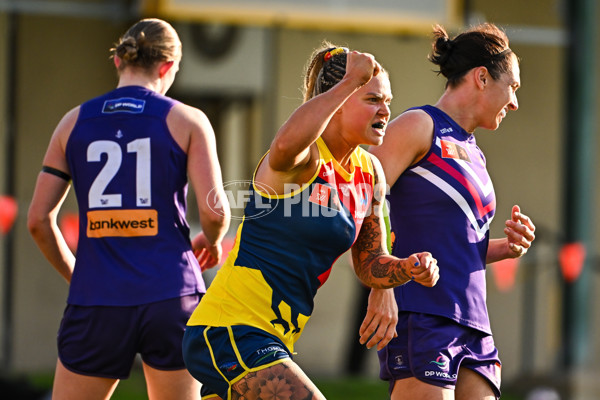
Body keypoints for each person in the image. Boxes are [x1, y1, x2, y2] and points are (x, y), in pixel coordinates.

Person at [182, 42, 440, 400]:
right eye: (372, 99)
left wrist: (408, 268)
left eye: (387, 100)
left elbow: (370, 263)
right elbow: (284, 146)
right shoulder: (305, 157)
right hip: (230, 330)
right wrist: (350, 81)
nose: (386, 110)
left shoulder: (370, 172)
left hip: (272, 342)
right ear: (337, 101)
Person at [27, 18, 230, 400]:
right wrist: (212, 239)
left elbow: (38, 221)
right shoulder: (187, 120)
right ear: (168, 67)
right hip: (172, 295)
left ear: (119, 61)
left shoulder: (72, 123)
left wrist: (80, 275)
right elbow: (216, 213)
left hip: (96, 298)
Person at [369, 23, 536, 400]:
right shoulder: (418, 125)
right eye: (513, 87)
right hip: (424, 314)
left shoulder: (475, 151)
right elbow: (365, 201)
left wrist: (505, 248)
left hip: (475, 323)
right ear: (481, 77)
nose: (514, 103)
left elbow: (457, 246)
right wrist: (380, 281)